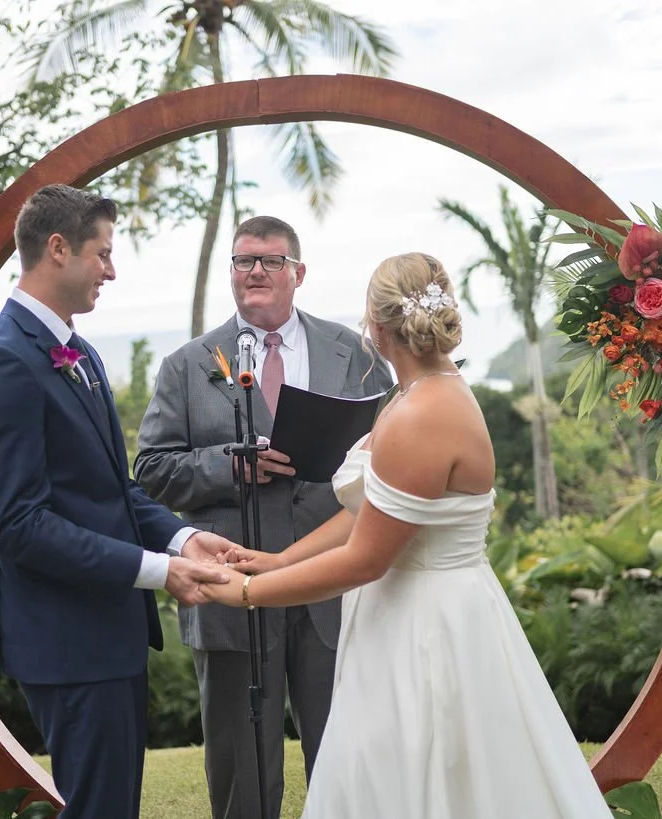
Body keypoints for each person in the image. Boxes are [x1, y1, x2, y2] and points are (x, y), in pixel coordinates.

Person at [202, 253, 614, 818]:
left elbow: (364, 559)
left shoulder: (424, 414)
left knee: (417, 770)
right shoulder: (418, 395)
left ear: (375, 327)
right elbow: (374, 512)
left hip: (426, 624)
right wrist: (274, 562)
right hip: (406, 609)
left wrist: (242, 595)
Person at [0, 183, 235, 819]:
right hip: (66, 638)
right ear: (58, 249)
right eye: (103, 253)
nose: (112, 269)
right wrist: (162, 574)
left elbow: (114, 488)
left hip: (105, 632)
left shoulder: (80, 353)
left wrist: (183, 538)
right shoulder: (0, 361)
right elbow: (19, 526)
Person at [134, 215, 393, 818]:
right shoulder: (189, 364)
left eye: (270, 261)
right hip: (233, 581)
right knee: (240, 766)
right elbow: (151, 468)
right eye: (243, 260)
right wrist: (231, 468)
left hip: (336, 579)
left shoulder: (355, 354)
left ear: (297, 273)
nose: (255, 270)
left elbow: (391, 446)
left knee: (347, 757)